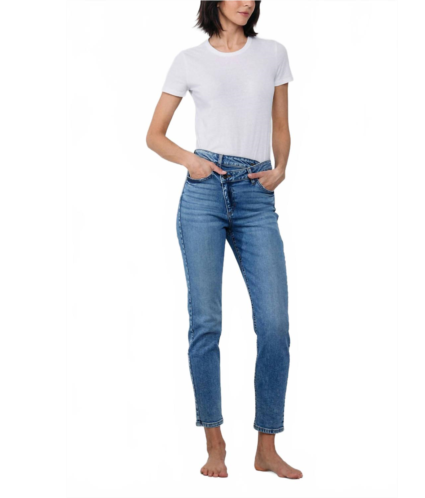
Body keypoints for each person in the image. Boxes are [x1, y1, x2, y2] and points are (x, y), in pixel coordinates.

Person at [146, 0, 302, 479]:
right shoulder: (189, 61)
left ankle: (266, 447)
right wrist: (191, 161)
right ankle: (214, 443)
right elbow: (154, 135)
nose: (246, 2)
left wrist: (281, 168)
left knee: (274, 325)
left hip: (256, 195)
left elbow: (280, 124)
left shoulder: (272, 53)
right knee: (206, 322)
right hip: (204, 195)